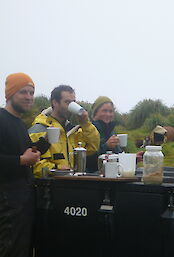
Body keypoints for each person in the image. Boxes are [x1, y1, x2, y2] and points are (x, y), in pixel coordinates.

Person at [0, 73, 42, 257]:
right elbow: (18, 158)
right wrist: (21, 160)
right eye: (23, 92)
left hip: (23, 200)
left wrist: (39, 149)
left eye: (31, 92)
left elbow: (21, 153)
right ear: (9, 95)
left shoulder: (19, 123)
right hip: (6, 203)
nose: (29, 97)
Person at [28, 85, 99, 177]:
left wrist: (86, 123)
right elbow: (32, 164)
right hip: (48, 186)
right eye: (67, 102)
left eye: (73, 102)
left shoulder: (73, 131)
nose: (70, 106)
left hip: (71, 184)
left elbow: (93, 147)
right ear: (55, 103)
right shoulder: (39, 129)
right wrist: (56, 168)